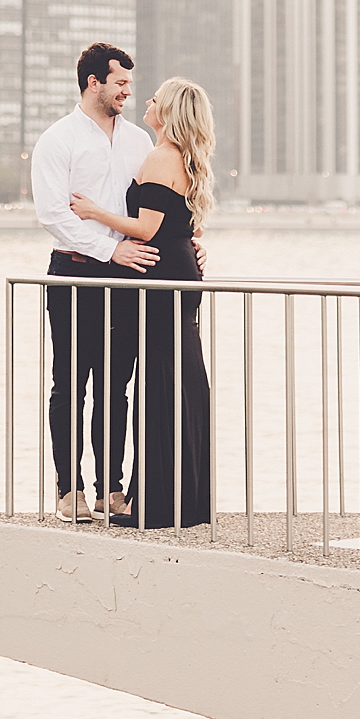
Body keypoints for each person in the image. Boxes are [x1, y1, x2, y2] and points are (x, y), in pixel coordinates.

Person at [70, 76, 214, 530]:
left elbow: (147, 227)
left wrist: (94, 212)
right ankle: (181, 496)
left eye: (154, 98)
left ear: (167, 112)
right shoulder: (187, 161)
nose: (146, 102)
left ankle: (158, 501)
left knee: (161, 383)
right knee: (180, 380)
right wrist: (191, 247)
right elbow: (182, 226)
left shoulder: (159, 157)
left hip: (162, 279)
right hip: (179, 273)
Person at [29, 44, 158, 522]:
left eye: (128, 82)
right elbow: (52, 214)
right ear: (93, 83)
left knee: (115, 385)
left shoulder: (139, 142)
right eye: (120, 82)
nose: (128, 90)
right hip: (74, 273)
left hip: (125, 277)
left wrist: (191, 242)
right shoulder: (57, 140)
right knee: (70, 384)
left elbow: (150, 210)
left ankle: (111, 489)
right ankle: (69, 492)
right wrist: (109, 249)